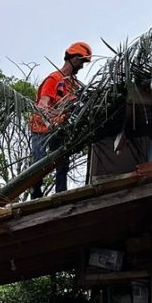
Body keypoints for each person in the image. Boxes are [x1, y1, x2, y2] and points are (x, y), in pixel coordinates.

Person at [29, 41, 92, 199]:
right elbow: (43, 104)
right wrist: (52, 117)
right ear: (76, 60)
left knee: (62, 163)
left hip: (59, 130)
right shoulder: (54, 79)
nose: (82, 67)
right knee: (39, 164)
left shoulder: (74, 85)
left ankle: (61, 195)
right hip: (41, 129)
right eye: (82, 62)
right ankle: (35, 195)